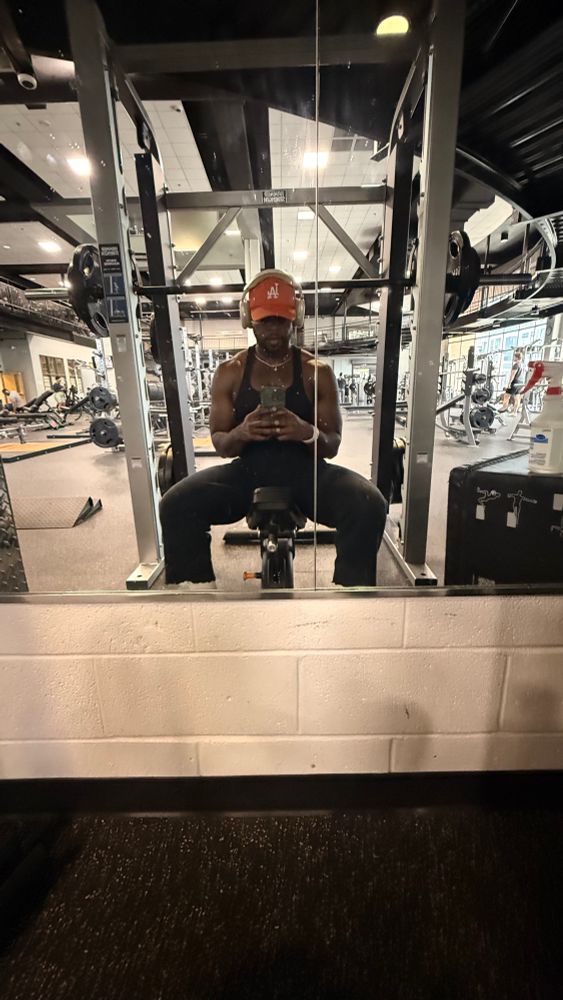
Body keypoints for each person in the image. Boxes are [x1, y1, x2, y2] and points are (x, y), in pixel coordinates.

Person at [160, 268, 386, 588]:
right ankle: (194, 594)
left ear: (296, 319)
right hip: (247, 475)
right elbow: (221, 443)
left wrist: (305, 432)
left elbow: (332, 444)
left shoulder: (317, 372)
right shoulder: (230, 372)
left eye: (281, 319)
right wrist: (242, 432)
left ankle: (354, 594)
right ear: (250, 320)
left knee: (370, 504)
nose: (274, 329)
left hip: (307, 475)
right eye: (265, 320)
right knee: (175, 505)